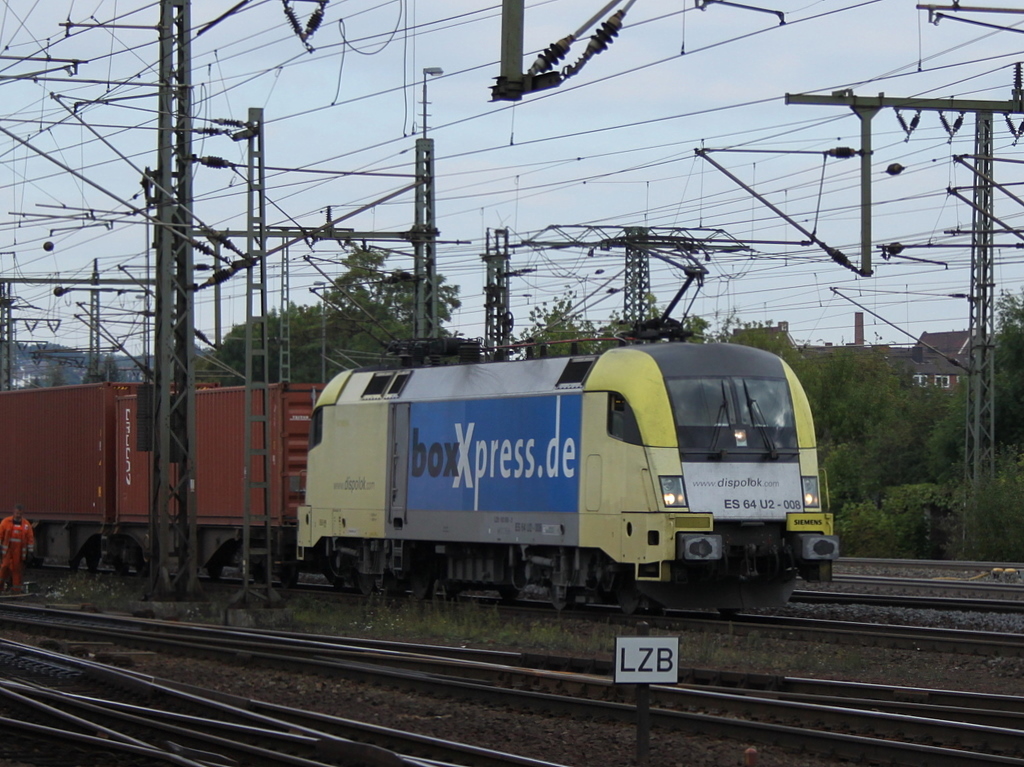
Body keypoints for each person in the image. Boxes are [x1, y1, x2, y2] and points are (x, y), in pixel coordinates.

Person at [0, 504, 35, 594]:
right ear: (13, 512)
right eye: (16, 513)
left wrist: (30, 552)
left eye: (20, 513)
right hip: (7, 551)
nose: (18, 515)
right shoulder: (5, 522)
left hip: (19, 554)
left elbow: (30, 538)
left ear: (22, 513)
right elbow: (0, 535)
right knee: (4, 568)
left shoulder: (26, 525)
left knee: (16, 571)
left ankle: (16, 590)